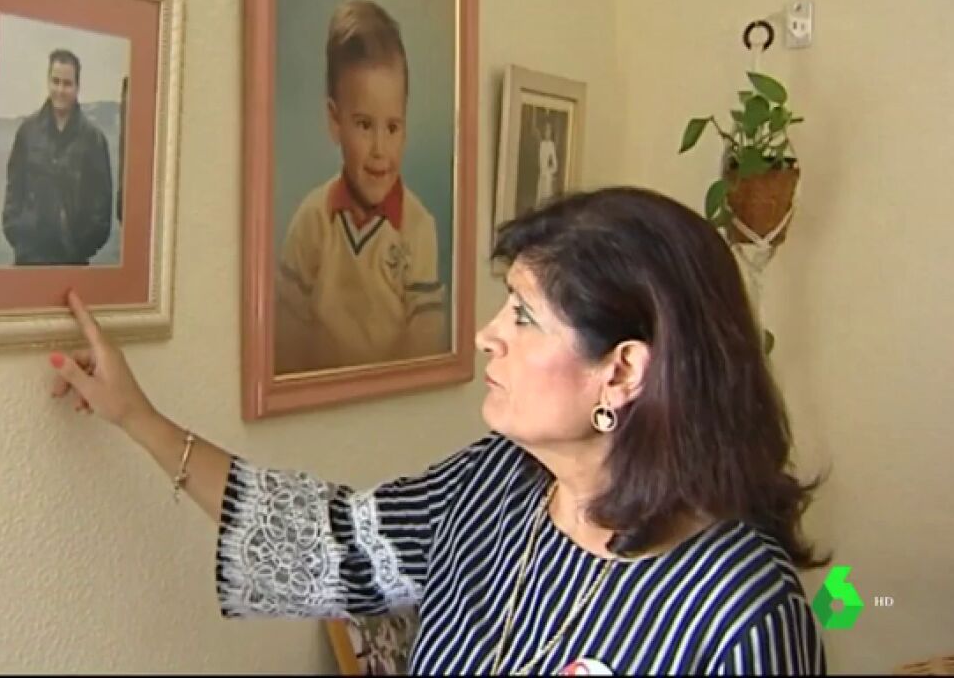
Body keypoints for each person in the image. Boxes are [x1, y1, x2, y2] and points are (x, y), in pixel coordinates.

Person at [47, 186, 830, 675]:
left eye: (524, 316)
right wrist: (137, 417)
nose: (488, 334)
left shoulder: (740, 612)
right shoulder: (493, 484)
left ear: (622, 371)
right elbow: (322, 544)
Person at [274, 0, 447, 375]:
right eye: (365, 125)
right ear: (335, 122)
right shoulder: (312, 219)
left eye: (393, 127)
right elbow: (285, 333)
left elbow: (425, 340)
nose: (380, 149)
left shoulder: (418, 228)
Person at [3, 48, 113, 266]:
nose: (60, 90)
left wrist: (78, 247)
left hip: (73, 263)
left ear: (77, 87)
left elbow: (101, 210)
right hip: (28, 262)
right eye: (56, 81)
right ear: (48, 82)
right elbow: (13, 191)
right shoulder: (27, 132)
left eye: (67, 83)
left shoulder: (93, 141)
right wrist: (20, 237)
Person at [536, 114, 559, 204]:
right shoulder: (541, 144)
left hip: (547, 178)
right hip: (541, 176)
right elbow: (539, 161)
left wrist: (549, 172)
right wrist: (541, 171)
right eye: (546, 130)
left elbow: (555, 165)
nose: (547, 132)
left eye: (549, 130)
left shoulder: (551, 145)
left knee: (546, 200)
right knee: (539, 200)